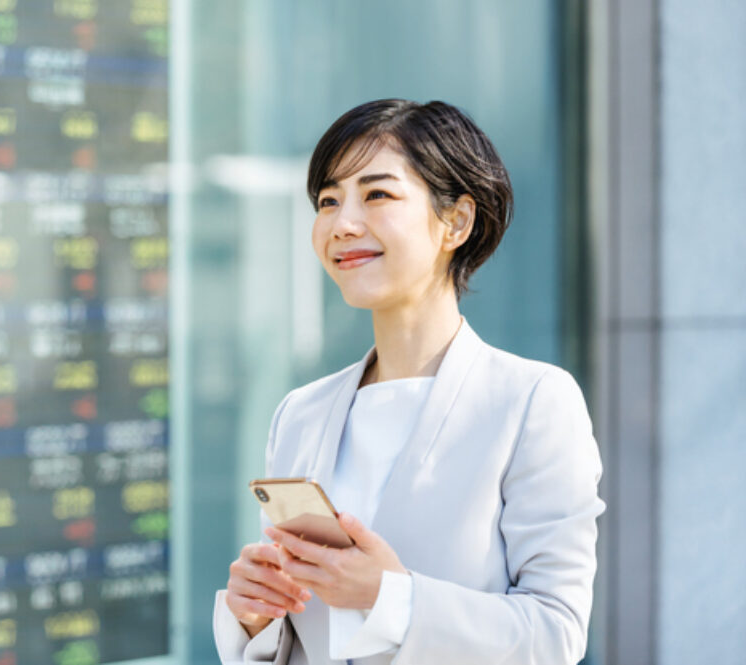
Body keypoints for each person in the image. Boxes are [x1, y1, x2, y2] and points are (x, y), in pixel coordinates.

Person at [213, 99, 605, 665]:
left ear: (456, 221)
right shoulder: (300, 412)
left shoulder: (532, 402)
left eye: (377, 194)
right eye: (328, 200)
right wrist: (256, 620)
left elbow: (555, 635)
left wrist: (390, 599)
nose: (342, 223)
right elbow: (300, 639)